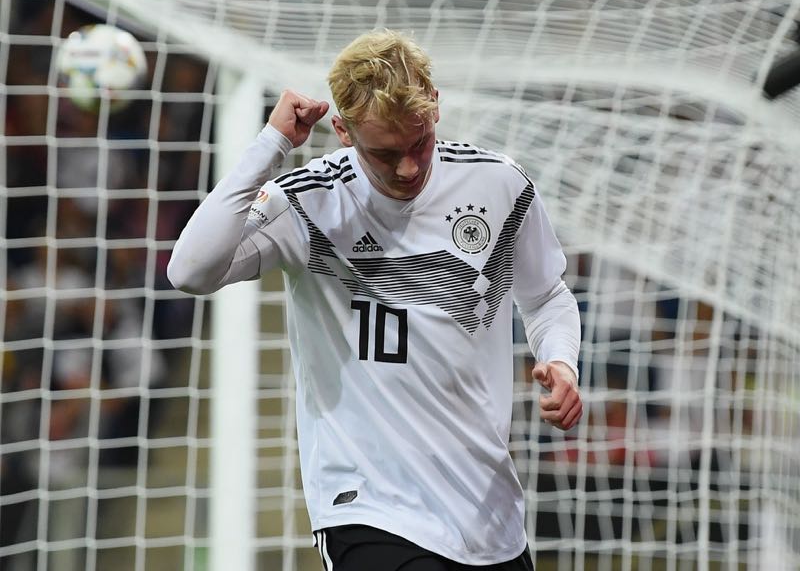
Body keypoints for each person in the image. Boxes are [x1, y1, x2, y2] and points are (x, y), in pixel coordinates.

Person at [168, 29, 582, 571]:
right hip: (366, 505)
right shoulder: (309, 202)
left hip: (487, 511)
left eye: (419, 143)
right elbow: (190, 270)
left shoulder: (499, 185)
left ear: (435, 107)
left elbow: (547, 296)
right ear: (342, 130)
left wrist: (562, 362)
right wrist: (270, 143)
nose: (408, 167)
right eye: (385, 153)